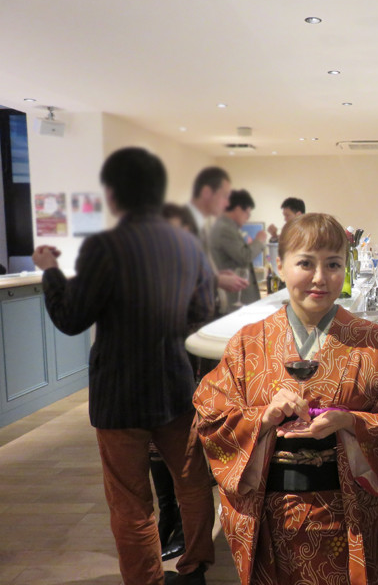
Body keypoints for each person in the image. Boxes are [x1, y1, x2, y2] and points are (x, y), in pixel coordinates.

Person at [32, 147, 217, 585]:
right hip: (173, 387)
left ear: (113, 194)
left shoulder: (105, 247)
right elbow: (202, 311)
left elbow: (71, 317)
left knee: (131, 502)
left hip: (119, 395)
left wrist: (51, 270)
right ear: (157, 192)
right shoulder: (187, 246)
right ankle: (194, 569)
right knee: (192, 484)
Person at [193, 212, 378, 585]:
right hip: (269, 517)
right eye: (306, 263)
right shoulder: (246, 342)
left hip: (347, 518)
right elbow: (210, 417)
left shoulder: (373, 342)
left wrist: (350, 422)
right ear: (279, 265)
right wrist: (262, 418)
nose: (320, 277)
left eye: (333, 264)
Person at [186, 166, 249, 302]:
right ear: (207, 193)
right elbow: (178, 276)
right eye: (225, 196)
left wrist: (215, 275)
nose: (227, 203)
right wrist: (217, 280)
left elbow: (194, 271)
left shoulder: (200, 226)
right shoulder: (183, 223)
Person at [210, 189, 268, 310]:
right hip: (234, 297)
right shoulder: (225, 229)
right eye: (247, 214)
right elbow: (244, 256)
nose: (247, 219)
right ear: (238, 209)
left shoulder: (227, 227)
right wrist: (259, 240)